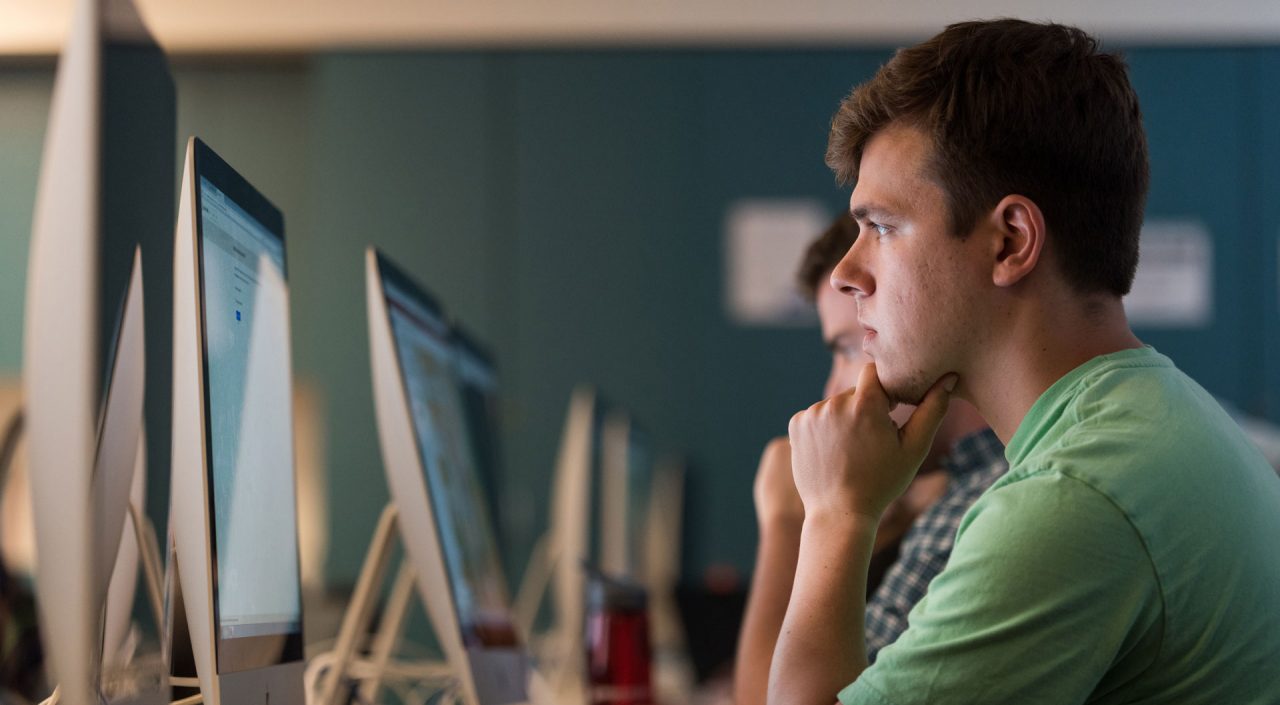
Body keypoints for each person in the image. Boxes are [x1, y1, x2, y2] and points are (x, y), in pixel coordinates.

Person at [768, 18, 1280, 705]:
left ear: (1010, 241)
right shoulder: (1167, 420)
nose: (846, 273)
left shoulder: (1077, 494)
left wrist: (835, 512)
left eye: (883, 227)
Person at [733, 212, 1006, 705]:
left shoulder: (975, 511)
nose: (831, 388)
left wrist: (790, 521)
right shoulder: (942, 495)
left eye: (852, 345)